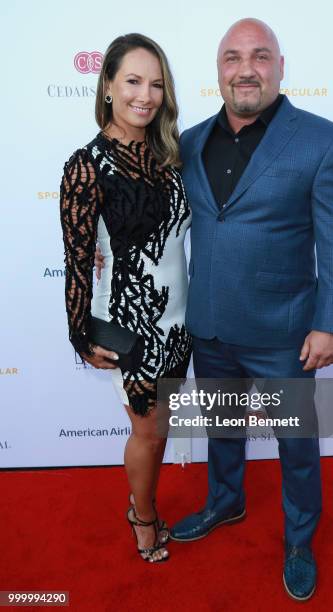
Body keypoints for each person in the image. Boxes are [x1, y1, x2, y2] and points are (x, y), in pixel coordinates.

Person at [96, 18, 333, 600]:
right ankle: (226, 501)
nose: (247, 69)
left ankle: (299, 539)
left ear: (280, 67)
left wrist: (331, 322)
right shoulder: (187, 142)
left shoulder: (324, 140)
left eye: (260, 56)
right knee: (222, 428)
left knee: (295, 444)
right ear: (218, 71)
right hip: (210, 326)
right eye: (233, 58)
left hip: (284, 332)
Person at [60, 33, 192, 563]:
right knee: (149, 428)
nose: (146, 94)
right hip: (130, 317)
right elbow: (75, 259)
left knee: (161, 429)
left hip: (181, 316)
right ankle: (142, 515)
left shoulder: (170, 154)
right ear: (108, 86)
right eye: (133, 81)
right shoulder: (85, 166)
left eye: (156, 83)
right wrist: (78, 331)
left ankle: (144, 502)